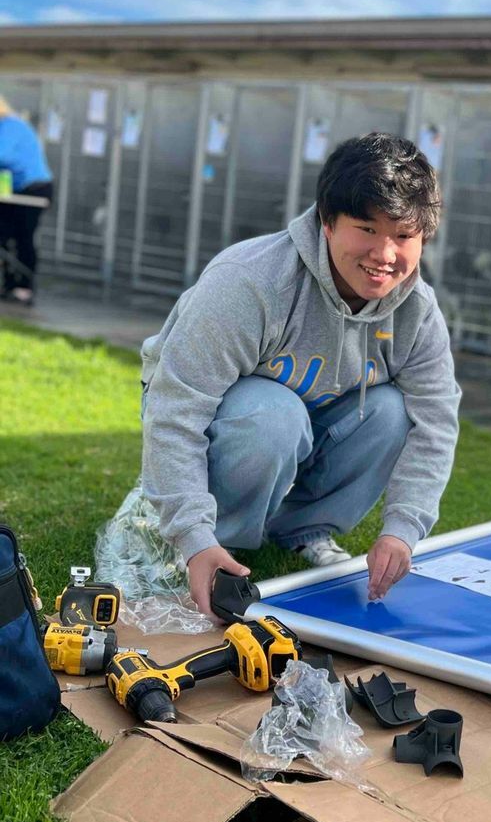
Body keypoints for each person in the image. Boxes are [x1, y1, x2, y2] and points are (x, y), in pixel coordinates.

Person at [138, 132, 460, 619]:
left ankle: (301, 528)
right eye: (367, 229)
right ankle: (215, 540)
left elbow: (435, 424)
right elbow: (176, 408)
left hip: (314, 415)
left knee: (394, 412)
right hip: (235, 415)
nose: (385, 253)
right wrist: (191, 535)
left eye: (403, 235)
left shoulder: (417, 310)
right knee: (274, 415)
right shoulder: (250, 282)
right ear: (327, 224)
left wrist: (402, 529)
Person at [0, 97, 53, 305]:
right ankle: (10, 283)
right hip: (14, 188)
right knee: (4, 236)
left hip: (35, 189)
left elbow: (2, 155)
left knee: (24, 236)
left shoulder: (11, 126)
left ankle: (24, 286)